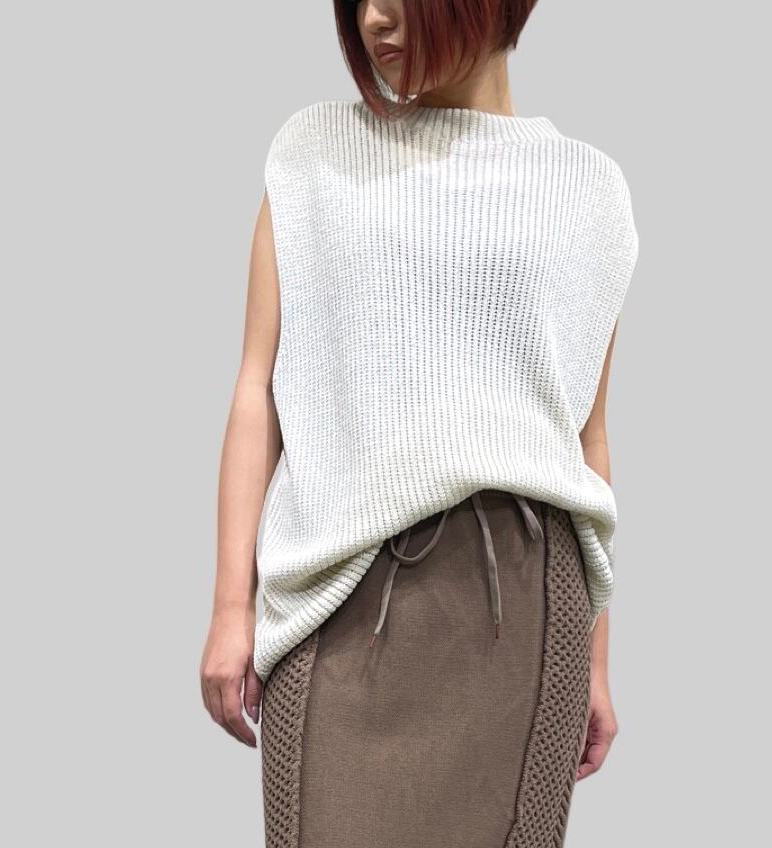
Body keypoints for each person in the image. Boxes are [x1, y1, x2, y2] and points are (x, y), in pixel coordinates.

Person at [200, 1, 639, 845]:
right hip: (336, 594)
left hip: (524, 606)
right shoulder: (314, 152)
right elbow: (257, 388)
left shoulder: (590, 189)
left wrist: (594, 658)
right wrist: (230, 607)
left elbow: (584, 437)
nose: (373, 18)